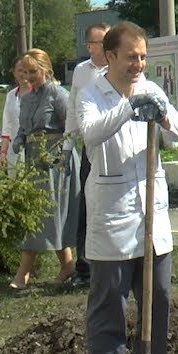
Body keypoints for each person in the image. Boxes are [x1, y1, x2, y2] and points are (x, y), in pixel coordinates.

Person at [78, 21, 178, 354]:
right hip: (112, 216)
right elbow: (91, 134)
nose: (138, 64)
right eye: (131, 57)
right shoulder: (92, 94)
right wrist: (128, 109)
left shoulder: (150, 89)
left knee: (157, 297)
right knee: (110, 303)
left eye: (143, 56)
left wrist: (161, 117)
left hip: (152, 218)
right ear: (110, 56)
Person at [11, 48, 78, 289]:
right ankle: (67, 263)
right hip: (34, 161)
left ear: (46, 70)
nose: (27, 77)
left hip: (55, 162)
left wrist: (62, 154)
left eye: (33, 72)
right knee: (41, 213)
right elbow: (24, 128)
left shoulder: (58, 94)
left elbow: (72, 127)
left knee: (48, 213)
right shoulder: (26, 98)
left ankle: (23, 272)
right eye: (25, 72)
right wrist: (19, 140)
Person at [64, 22, 110, 290]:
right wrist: (67, 146)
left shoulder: (117, 69)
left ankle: (111, 265)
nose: (103, 47)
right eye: (99, 43)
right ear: (89, 46)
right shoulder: (82, 72)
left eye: (107, 42)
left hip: (115, 146)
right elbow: (72, 108)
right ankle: (84, 268)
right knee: (86, 205)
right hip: (89, 148)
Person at [0, 56, 31, 174]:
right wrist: (3, 152)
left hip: (33, 150)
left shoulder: (38, 94)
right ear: (14, 73)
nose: (23, 74)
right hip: (14, 151)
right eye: (20, 70)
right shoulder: (11, 96)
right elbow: (6, 127)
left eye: (26, 70)